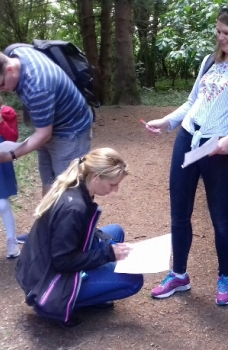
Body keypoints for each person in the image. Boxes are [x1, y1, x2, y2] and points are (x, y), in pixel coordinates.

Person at [145, 6, 228, 306]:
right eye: (218, 31)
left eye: (227, 33)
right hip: (189, 138)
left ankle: (225, 278)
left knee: (220, 216)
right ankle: (179, 274)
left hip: (219, 146)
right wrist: (168, 121)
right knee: (179, 212)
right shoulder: (209, 61)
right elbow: (192, 101)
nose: (221, 37)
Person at [16, 148, 144, 328]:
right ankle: (67, 304)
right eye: (112, 184)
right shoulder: (74, 209)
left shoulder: (78, 186)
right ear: (96, 177)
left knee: (115, 232)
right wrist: (108, 254)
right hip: (48, 283)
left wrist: (110, 248)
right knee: (133, 281)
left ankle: (90, 291)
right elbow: (62, 261)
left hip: (42, 266)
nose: (115, 190)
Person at [0, 48, 93, 196]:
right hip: (47, 124)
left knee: (69, 188)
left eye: (1, 85)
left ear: (10, 69)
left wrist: (10, 154)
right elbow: (43, 134)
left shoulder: (38, 87)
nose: (2, 90)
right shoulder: (16, 51)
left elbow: (44, 135)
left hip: (70, 131)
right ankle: (48, 217)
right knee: (49, 181)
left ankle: (72, 219)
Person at [0, 96, 20, 258]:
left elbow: (12, 138)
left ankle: (12, 241)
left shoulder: (7, 112)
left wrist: (0, 122)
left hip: (1, 162)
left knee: (2, 204)